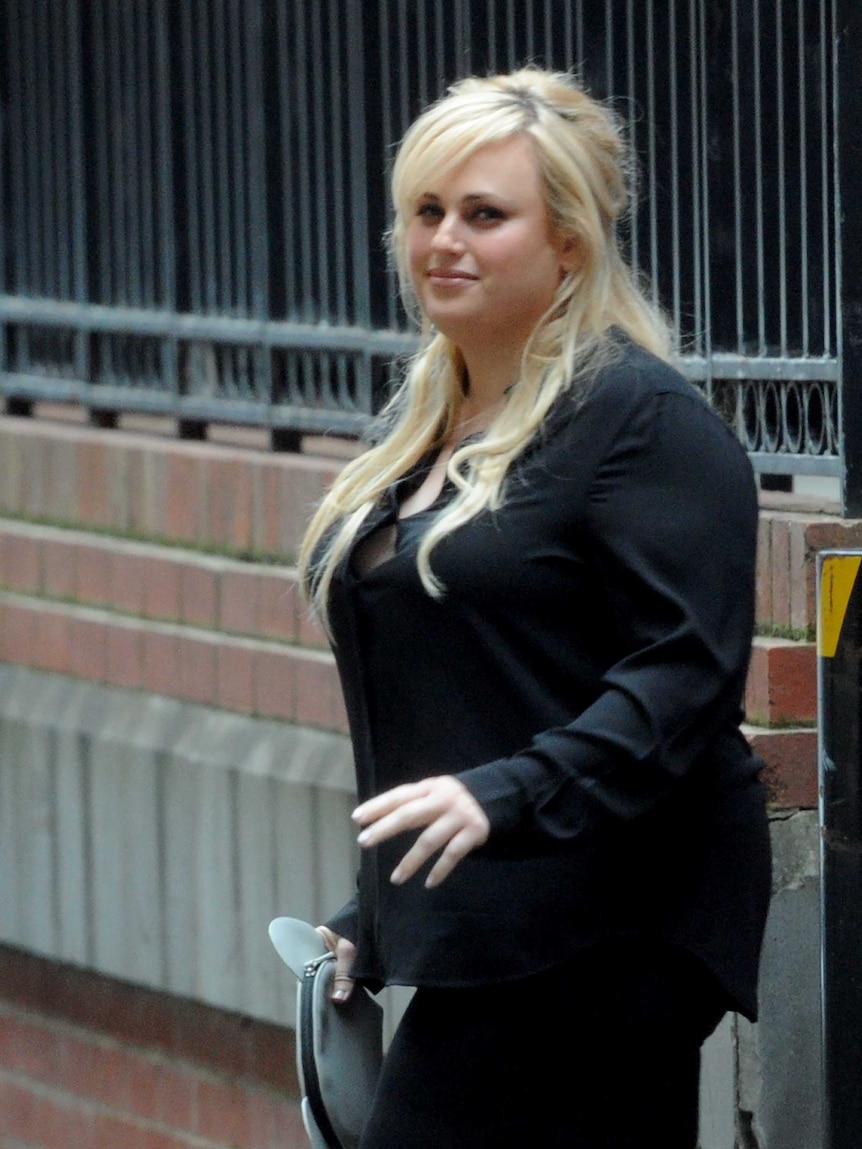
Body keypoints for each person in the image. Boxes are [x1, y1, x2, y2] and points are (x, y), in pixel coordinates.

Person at [297, 66, 771, 1149]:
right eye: (426, 212)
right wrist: (375, 908)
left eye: (485, 215)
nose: (444, 242)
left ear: (567, 242)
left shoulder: (638, 422)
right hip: (500, 912)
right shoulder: (429, 422)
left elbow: (682, 678)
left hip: (619, 916)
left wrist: (502, 796)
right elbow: (455, 692)